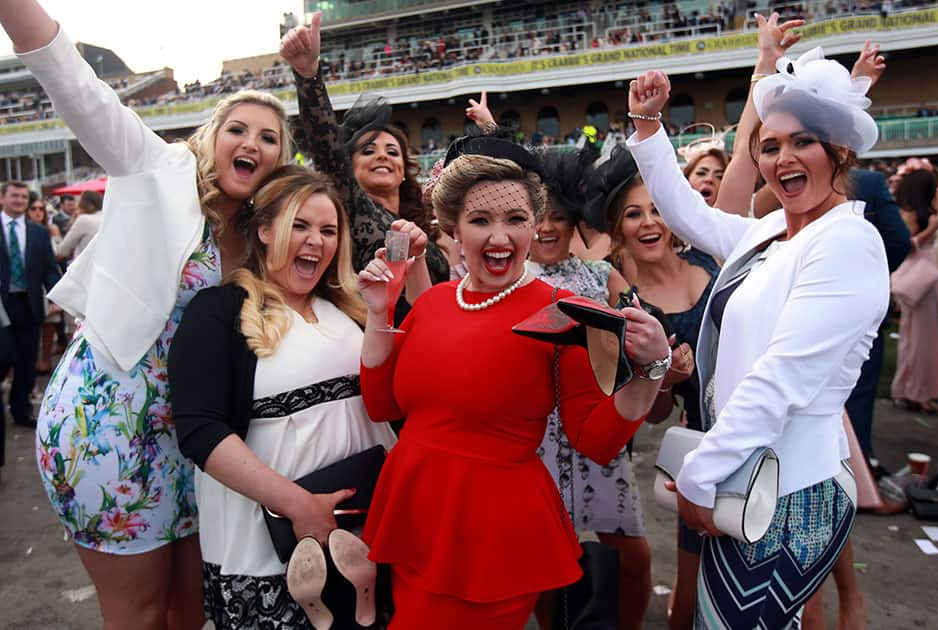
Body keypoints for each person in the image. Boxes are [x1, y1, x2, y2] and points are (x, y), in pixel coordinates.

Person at [2, 2, 290, 627]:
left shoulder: (268, 238)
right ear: (213, 137)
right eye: (239, 128)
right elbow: (73, 82)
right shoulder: (154, 169)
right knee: (139, 612)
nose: (253, 142)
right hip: (108, 418)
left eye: (269, 137)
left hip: (198, 439)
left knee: (192, 608)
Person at [627, 13, 890, 627]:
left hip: (789, 494)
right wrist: (647, 125)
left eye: (802, 142)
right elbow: (690, 216)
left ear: (839, 150)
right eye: (769, 146)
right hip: (742, 481)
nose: (782, 158)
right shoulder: (775, 229)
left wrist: (699, 475)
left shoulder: (846, 243)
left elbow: (783, 379)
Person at [356, 136, 677, 628]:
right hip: (417, 519)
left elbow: (594, 440)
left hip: (493, 534)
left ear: (535, 223)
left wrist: (652, 372)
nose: (499, 237)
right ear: (455, 229)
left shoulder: (564, 314)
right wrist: (380, 311)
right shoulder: (434, 303)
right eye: (480, 221)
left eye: (515, 220)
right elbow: (382, 406)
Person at [169, 165, 397, 629]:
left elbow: (391, 401)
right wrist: (298, 505)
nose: (317, 240)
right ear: (265, 230)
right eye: (301, 225)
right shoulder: (218, 310)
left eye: (329, 230)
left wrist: (384, 307)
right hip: (269, 547)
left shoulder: (348, 307)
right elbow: (200, 430)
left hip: (364, 532)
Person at [528, 148, 691, 630]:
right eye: (537, 216)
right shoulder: (511, 279)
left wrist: (664, 359)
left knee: (633, 554)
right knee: (547, 561)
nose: (547, 227)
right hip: (535, 440)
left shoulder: (601, 276)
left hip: (599, 430)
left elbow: (646, 327)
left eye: (559, 216)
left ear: (576, 220)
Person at [586, 144, 723, 629]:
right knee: (687, 604)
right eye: (633, 213)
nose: (648, 222)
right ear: (617, 228)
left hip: (771, 430)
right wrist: (668, 378)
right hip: (704, 445)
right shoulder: (631, 307)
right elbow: (656, 414)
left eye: (658, 209)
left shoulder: (715, 258)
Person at [281, 13, 448, 321]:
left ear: (403, 168)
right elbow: (327, 148)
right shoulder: (352, 212)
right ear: (350, 168)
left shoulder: (428, 222)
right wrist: (308, 75)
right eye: (368, 150)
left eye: (392, 151)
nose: (382, 156)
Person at [0, 181, 61, 469]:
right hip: (2, 304)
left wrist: (58, 295)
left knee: (26, 359)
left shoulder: (38, 233)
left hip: (29, 303)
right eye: (15, 196)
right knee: (6, 354)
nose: (20, 200)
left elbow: (50, 268)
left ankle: (21, 409)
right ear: (3, 198)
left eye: (24, 197)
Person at [891, 169, 938, 413]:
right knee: (916, 339)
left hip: (926, 275)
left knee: (923, 338)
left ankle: (918, 390)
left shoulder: (923, 211)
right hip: (916, 278)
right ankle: (912, 390)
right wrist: (933, 228)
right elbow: (908, 245)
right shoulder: (910, 214)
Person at [26, 195, 63, 374]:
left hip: (48, 278)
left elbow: (59, 252)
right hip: (30, 284)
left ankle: (46, 360)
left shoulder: (51, 229)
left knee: (51, 322)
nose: (38, 212)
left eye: (41, 209)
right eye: (34, 209)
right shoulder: (24, 230)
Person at [55, 189, 102, 262]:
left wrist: (72, 222)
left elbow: (63, 250)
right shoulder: (106, 216)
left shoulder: (84, 219)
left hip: (88, 266)